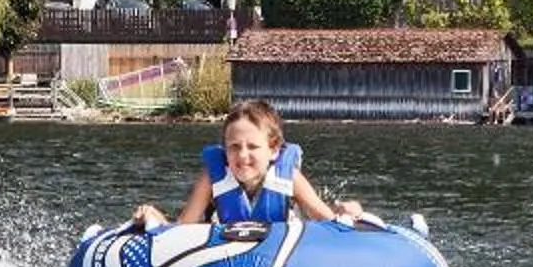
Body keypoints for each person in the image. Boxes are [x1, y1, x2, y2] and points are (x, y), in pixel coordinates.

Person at [131, 98, 363, 230]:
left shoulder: (288, 178)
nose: (242, 156)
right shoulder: (212, 178)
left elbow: (326, 219)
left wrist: (344, 212)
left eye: (252, 147)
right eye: (234, 147)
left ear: (273, 150)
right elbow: (183, 226)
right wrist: (156, 219)